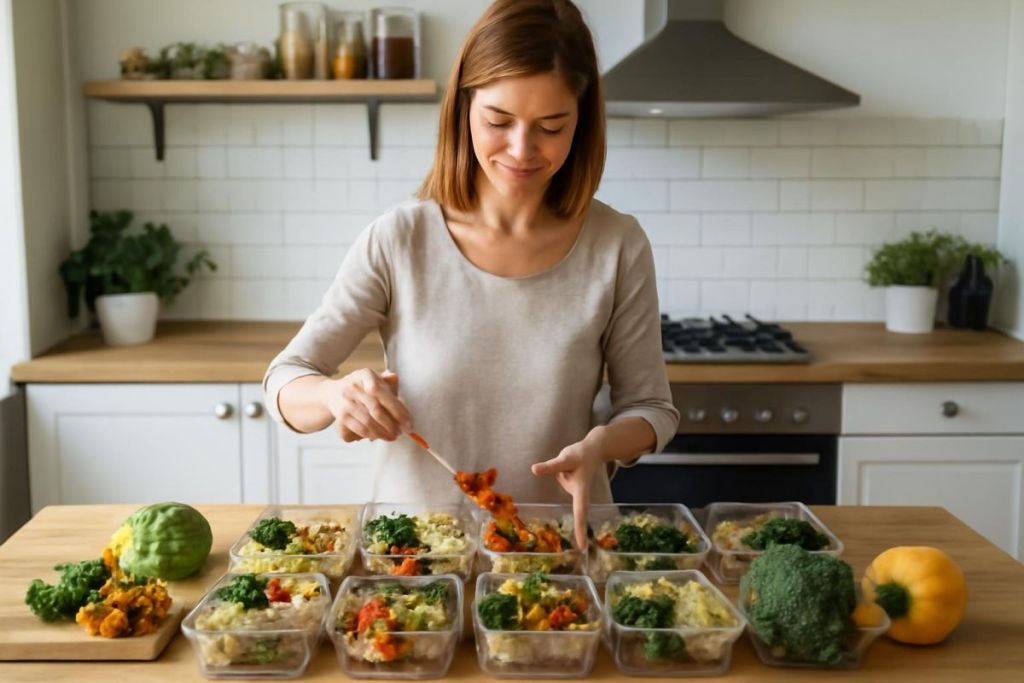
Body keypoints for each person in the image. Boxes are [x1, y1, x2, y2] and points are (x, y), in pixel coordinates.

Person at [262, 0, 679, 550]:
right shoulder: (400, 239)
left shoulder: (616, 244)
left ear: (582, 120)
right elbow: (285, 379)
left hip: (558, 553)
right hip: (415, 556)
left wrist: (601, 445)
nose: (522, 151)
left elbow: (652, 408)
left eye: (551, 127)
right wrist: (337, 395)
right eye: (498, 122)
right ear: (463, 110)